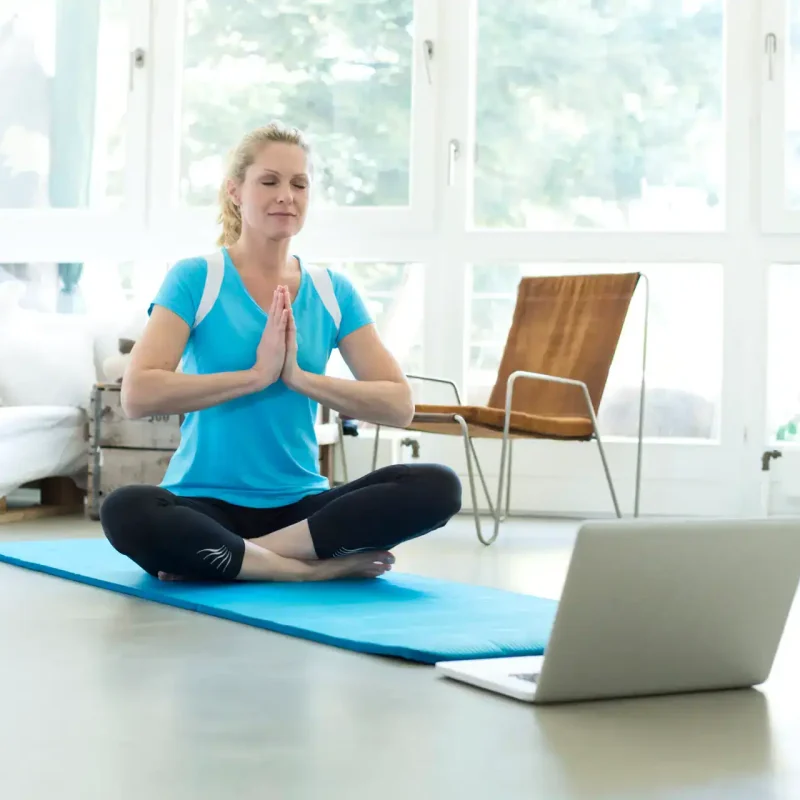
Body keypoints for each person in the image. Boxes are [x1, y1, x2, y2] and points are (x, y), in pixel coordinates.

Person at [99, 122, 461, 584]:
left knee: (436, 486)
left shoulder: (334, 292)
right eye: (269, 181)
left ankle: (240, 559)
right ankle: (303, 572)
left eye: (299, 184)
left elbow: (398, 404)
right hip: (203, 505)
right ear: (235, 192)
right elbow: (138, 393)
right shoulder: (196, 278)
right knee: (126, 509)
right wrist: (254, 376)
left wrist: (298, 378)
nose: (286, 195)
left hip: (301, 513)